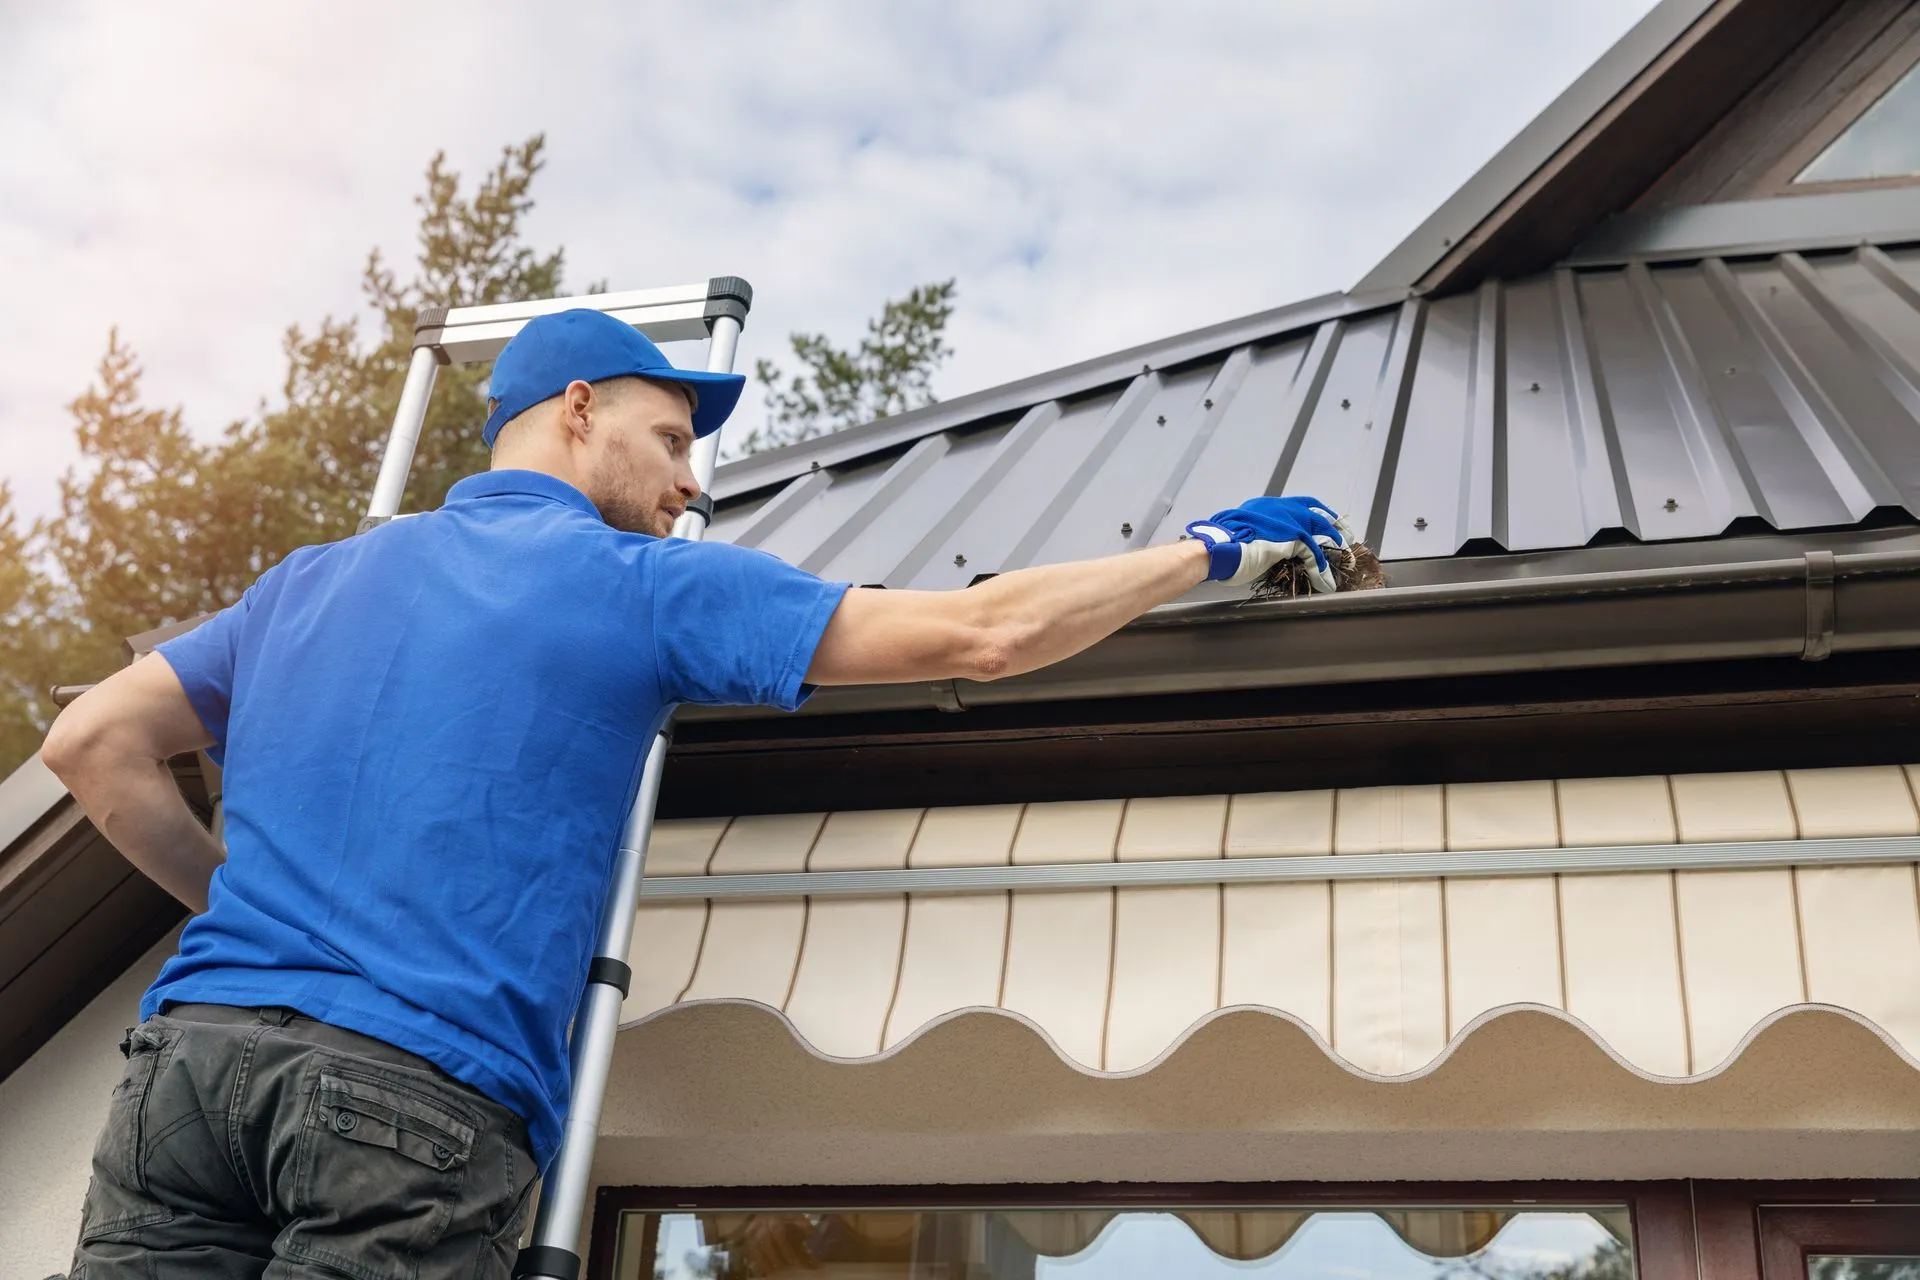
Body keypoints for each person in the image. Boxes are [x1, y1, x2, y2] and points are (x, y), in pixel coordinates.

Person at [40, 308, 1356, 1279]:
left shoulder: (308, 583)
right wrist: (1206, 549)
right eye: (668, 437)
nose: (693, 480)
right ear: (574, 411)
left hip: (187, 1078)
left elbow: (92, 743)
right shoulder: (633, 584)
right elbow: (983, 634)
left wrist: (259, 909)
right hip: (409, 1096)